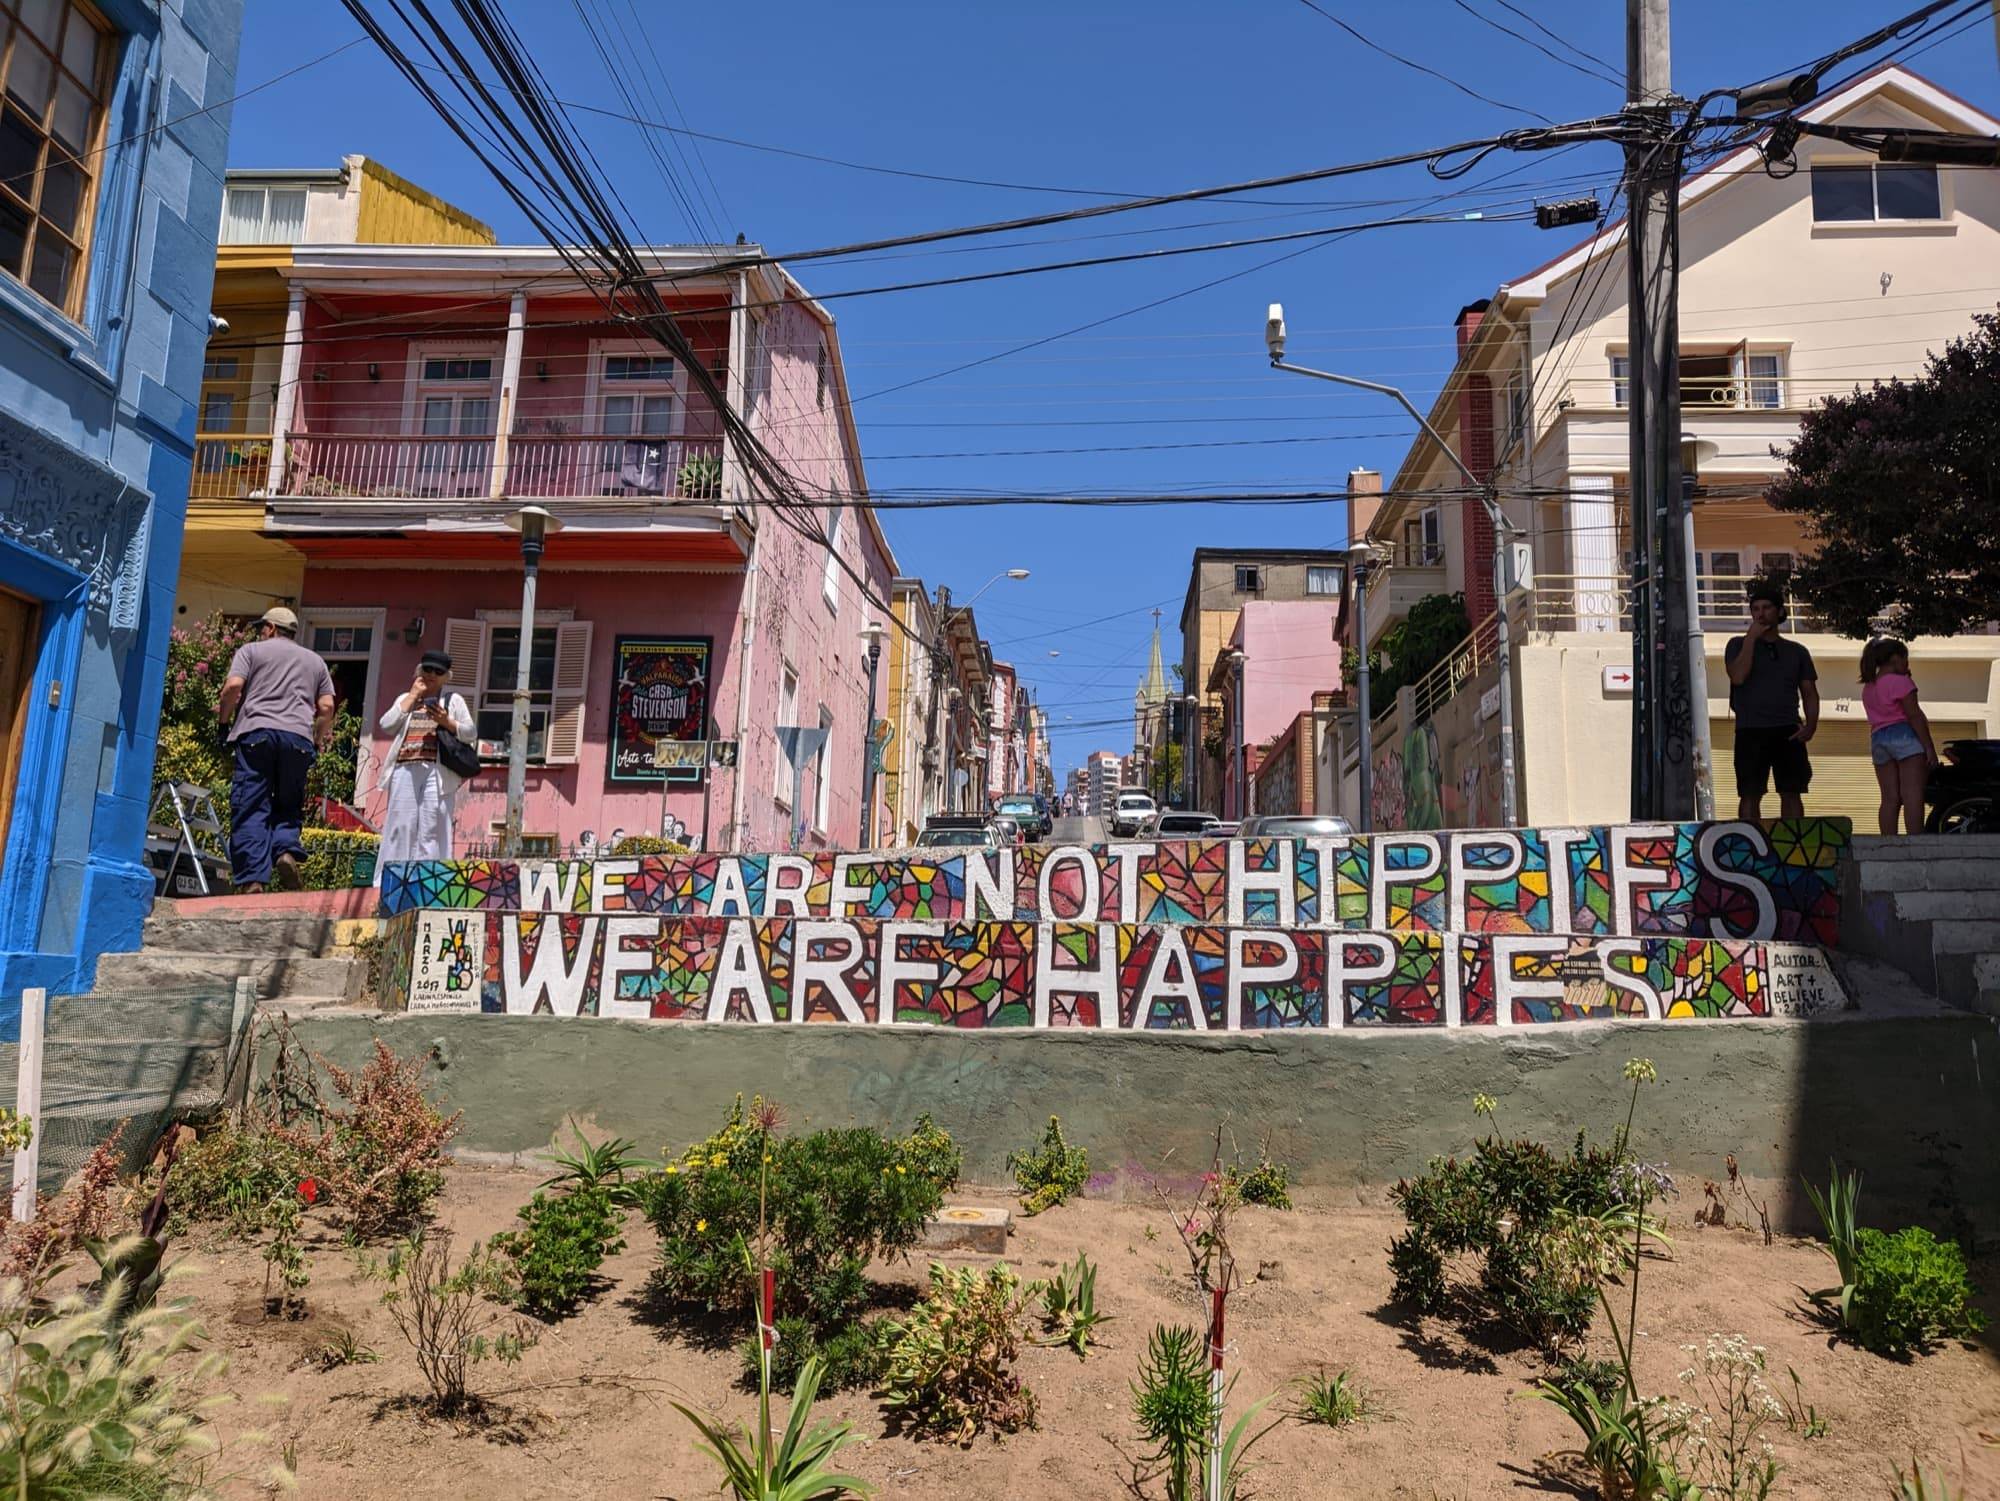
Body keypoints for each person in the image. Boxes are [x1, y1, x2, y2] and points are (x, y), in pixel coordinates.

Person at [217, 606, 336, 893]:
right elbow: (327, 707)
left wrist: (223, 723)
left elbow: (233, 687)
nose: (260, 632)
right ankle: (284, 851)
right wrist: (317, 738)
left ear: (271, 628)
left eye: (262, 628)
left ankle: (253, 879)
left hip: (257, 733)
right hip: (298, 740)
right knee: (288, 802)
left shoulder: (251, 651)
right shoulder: (316, 661)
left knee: (251, 805)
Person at [1723, 582, 1819, 823]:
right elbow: (1738, 676)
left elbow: (1809, 690)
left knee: (1792, 792)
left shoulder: (1796, 651)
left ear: (1779, 612)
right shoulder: (1737, 644)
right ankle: (1750, 844)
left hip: (1788, 728)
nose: (1760, 614)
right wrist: (1751, 640)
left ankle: (1794, 843)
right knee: (1750, 794)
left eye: (1766, 608)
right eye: (1755, 609)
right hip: (1750, 729)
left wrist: (1811, 725)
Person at [376, 650, 477, 878]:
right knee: (399, 826)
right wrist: (412, 696)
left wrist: (446, 721)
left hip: (437, 770)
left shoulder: (453, 700)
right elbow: (387, 724)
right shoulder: (406, 698)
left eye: (438, 671)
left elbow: (470, 733)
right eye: (427, 669)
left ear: (446, 676)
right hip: (404, 766)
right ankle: (390, 880)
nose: (431, 675)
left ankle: (431, 880)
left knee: (433, 825)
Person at [1860, 637, 1938, 835]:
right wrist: (1928, 747)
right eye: (1905, 659)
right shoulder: (1902, 683)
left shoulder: (1869, 687)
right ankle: (1915, 840)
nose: (1907, 664)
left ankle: (1888, 842)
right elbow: (1914, 716)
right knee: (1912, 794)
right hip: (1904, 736)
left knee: (1889, 798)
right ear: (1896, 658)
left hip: (1878, 739)